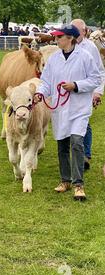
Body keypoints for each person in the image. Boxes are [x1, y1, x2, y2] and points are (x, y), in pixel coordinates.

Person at [35, 24, 102, 201]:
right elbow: (46, 82)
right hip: (60, 108)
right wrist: (40, 93)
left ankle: (78, 184)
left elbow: (95, 79)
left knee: (77, 142)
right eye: (56, 37)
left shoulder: (85, 56)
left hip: (79, 108)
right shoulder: (54, 59)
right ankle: (65, 180)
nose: (56, 40)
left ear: (70, 38)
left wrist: (76, 85)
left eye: (60, 37)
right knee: (62, 145)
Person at [71, 19, 105, 170]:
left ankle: (85, 154)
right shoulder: (66, 45)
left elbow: (100, 71)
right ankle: (74, 153)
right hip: (68, 92)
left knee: (84, 122)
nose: (74, 33)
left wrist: (98, 92)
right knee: (69, 122)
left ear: (84, 32)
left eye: (77, 30)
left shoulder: (90, 47)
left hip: (86, 90)